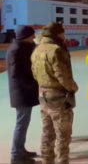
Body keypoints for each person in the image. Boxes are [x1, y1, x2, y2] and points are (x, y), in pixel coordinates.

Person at [31, 23, 78, 164]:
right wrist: (73, 87)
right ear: (58, 34)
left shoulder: (37, 49)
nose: (64, 36)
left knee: (47, 133)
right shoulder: (56, 50)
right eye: (63, 33)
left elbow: (34, 73)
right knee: (63, 136)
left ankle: (47, 160)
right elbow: (62, 75)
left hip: (43, 96)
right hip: (58, 98)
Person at [7, 26, 39, 164]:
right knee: (21, 123)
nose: (34, 38)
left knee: (23, 123)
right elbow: (16, 74)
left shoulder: (24, 47)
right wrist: (31, 85)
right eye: (32, 35)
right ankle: (16, 155)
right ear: (26, 36)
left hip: (24, 92)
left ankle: (21, 150)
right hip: (21, 93)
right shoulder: (16, 50)